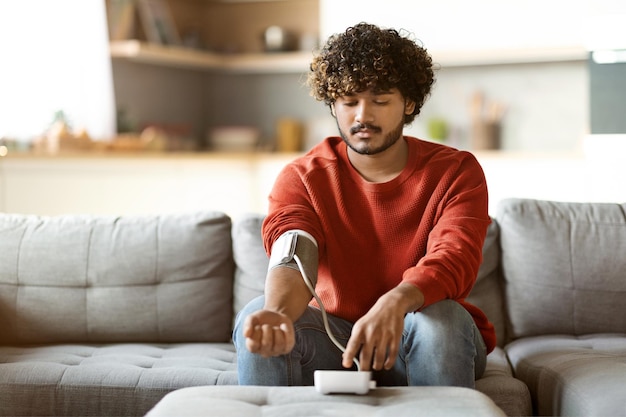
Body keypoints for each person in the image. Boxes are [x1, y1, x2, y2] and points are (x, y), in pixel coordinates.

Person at [233, 22, 495, 388]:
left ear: (410, 103)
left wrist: (395, 303)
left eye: (380, 100)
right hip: (333, 340)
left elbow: (454, 258)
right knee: (258, 312)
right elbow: (295, 246)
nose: (362, 116)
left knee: (443, 320)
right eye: (349, 101)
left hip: (418, 335)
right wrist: (276, 311)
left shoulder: (455, 171)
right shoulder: (303, 176)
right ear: (332, 104)